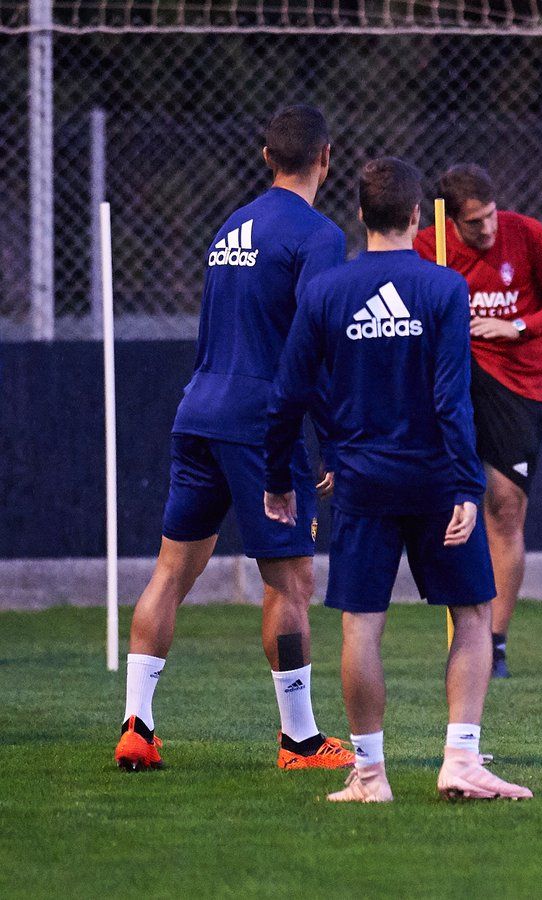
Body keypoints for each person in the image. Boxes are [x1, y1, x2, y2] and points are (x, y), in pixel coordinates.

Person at [264, 157, 532, 803]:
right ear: (418, 216)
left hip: (361, 482)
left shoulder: (326, 291)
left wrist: (280, 477)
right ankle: (460, 761)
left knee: (361, 626)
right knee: (472, 615)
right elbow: (452, 397)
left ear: (358, 214)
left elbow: (289, 393)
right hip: (438, 482)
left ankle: (371, 775)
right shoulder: (442, 288)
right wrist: (468, 483)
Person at [113, 106, 353, 772]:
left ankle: (137, 725)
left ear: (265, 154)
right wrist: (331, 440)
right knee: (291, 583)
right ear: (326, 158)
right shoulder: (320, 235)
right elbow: (316, 345)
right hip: (259, 429)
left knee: (170, 572)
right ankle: (300, 740)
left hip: (198, 413)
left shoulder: (229, 227)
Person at [415, 164, 542, 679]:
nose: (486, 230)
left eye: (489, 217)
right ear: (450, 220)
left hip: (518, 385)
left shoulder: (525, 233)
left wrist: (517, 326)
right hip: (453, 380)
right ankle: (464, 630)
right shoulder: (427, 246)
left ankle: (496, 642)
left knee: (504, 507)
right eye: (473, 223)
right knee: (453, 502)